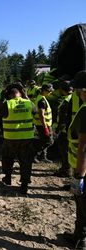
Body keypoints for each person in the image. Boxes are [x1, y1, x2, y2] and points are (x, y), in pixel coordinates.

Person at [0, 83, 36, 194]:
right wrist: (26, 97)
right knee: (26, 162)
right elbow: (35, 111)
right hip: (26, 138)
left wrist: (2, 99)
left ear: (9, 95)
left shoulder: (7, 104)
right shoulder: (29, 103)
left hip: (11, 138)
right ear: (21, 93)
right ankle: (24, 185)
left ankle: (8, 177)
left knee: (8, 158)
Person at [67, 70, 86, 249]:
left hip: (83, 168)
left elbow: (83, 147)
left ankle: (80, 240)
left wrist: (80, 175)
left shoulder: (84, 111)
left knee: (82, 207)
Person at [53, 81, 73, 177]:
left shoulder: (66, 101)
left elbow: (63, 118)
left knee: (64, 151)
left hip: (65, 130)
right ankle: (65, 169)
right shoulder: (73, 98)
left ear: (62, 89)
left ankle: (66, 170)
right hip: (71, 129)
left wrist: (57, 130)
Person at [33, 84, 54, 163]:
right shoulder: (42, 100)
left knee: (44, 140)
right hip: (43, 125)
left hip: (42, 124)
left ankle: (43, 157)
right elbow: (41, 115)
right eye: (49, 91)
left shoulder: (41, 98)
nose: (50, 93)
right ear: (44, 91)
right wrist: (45, 128)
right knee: (49, 141)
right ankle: (34, 155)